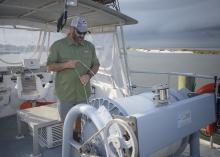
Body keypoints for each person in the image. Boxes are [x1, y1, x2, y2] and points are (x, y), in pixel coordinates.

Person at [47, 16, 100, 122]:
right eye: (79, 32)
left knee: (82, 124)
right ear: (71, 29)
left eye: (84, 33)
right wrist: (65, 65)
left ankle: (78, 137)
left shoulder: (89, 47)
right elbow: (49, 66)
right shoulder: (58, 46)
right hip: (65, 95)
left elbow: (96, 65)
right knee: (67, 124)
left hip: (83, 95)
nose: (82, 36)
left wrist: (88, 76)